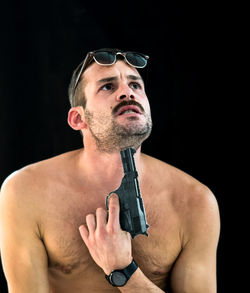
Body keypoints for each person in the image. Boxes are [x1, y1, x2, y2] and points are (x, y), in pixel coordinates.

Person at [0, 48, 220, 293]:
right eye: (107, 86)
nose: (127, 92)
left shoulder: (195, 201)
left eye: (136, 85)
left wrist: (124, 272)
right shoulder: (26, 191)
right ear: (77, 119)